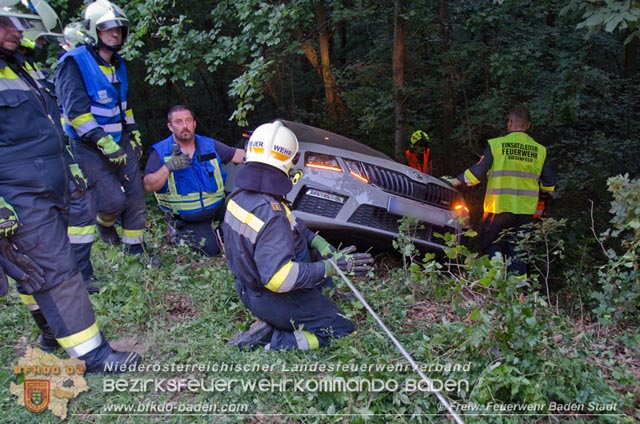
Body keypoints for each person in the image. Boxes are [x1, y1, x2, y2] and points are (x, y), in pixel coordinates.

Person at [0, 2, 140, 372]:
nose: (16, 31)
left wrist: (72, 167)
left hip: (51, 182)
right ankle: (93, 356)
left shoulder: (20, 64)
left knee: (32, 270)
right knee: (58, 270)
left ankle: (51, 332)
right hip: (19, 195)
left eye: (19, 24)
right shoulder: (71, 63)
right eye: (6, 24)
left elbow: (49, 125)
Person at [222, 120, 374, 350]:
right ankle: (274, 340)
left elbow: (296, 226)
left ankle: (315, 302)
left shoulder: (241, 195)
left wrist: (318, 242)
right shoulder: (271, 214)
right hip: (273, 298)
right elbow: (280, 279)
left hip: (246, 288)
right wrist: (331, 268)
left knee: (310, 251)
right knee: (342, 329)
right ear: (288, 162)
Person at [55, 0, 155, 264]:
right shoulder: (73, 62)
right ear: (92, 31)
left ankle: (135, 252)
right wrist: (101, 140)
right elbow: (75, 113)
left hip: (120, 140)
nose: (115, 34)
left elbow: (125, 106)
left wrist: (132, 134)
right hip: (88, 146)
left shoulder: (118, 64)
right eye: (107, 28)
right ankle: (105, 222)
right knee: (112, 200)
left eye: (119, 29)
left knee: (134, 196)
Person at [18, 12, 100, 294]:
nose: (44, 43)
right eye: (40, 37)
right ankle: (53, 293)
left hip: (58, 160)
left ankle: (81, 272)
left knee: (83, 211)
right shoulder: (58, 67)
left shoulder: (31, 70)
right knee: (39, 238)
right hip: (24, 175)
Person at [452, 106, 556, 276]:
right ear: (528, 125)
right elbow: (549, 185)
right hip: (525, 212)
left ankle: (497, 282)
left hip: (498, 208)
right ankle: (517, 294)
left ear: (510, 122)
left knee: (491, 243)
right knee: (519, 252)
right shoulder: (540, 150)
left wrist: (456, 181)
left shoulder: (496, 145)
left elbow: (476, 174)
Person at [143, 105, 245, 256]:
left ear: (194, 124)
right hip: (187, 217)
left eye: (188, 120)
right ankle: (178, 234)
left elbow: (237, 155)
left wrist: (261, 151)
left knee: (247, 210)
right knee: (212, 250)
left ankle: (221, 232)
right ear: (170, 126)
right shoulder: (161, 151)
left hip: (217, 207)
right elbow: (149, 185)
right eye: (178, 122)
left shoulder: (208, 145)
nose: (185, 126)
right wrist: (168, 167)